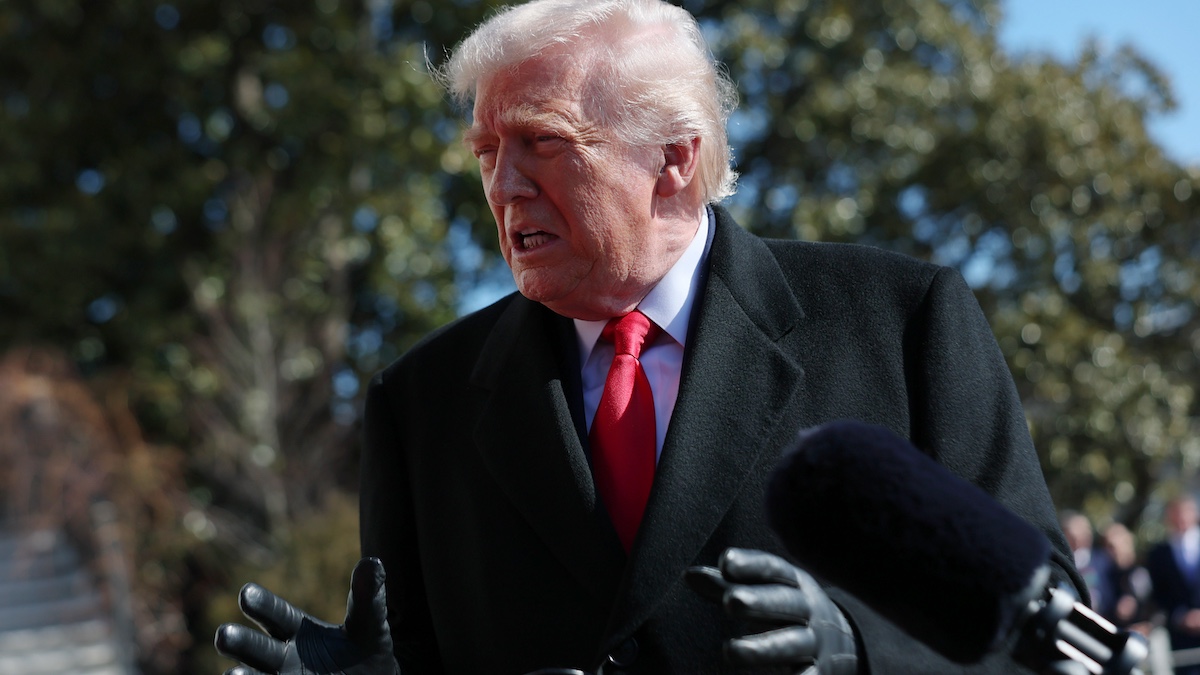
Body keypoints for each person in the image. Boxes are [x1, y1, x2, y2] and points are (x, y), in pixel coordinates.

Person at [215, 0, 1084, 673]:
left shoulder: (899, 324)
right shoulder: (421, 402)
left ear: (673, 156)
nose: (504, 185)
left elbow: (1056, 640)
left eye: (542, 144)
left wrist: (859, 652)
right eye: (486, 153)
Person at [1148, 496, 1200, 674]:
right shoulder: (1158, 554)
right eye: (1176, 514)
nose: (1181, 518)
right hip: (1180, 637)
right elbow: (1158, 594)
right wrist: (1181, 616)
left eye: (1185, 513)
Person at [1101, 521, 1154, 635]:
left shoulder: (1144, 568)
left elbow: (1156, 604)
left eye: (1114, 546)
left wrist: (1148, 625)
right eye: (1109, 546)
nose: (1113, 552)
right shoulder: (1106, 574)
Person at [1061, 511, 1116, 618]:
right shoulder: (1063, 560)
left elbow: (1111, 593)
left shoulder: (1103, 561)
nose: (1079, 539)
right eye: (1073, 535)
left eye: (1084, 532)